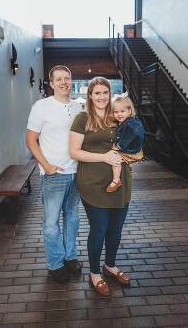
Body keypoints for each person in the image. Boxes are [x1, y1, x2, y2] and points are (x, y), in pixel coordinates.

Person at [69, 77, 131, 296]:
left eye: (105, 92)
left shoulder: (118, 117)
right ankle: (95, 273)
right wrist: (104, 157)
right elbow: (74, 152)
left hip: (120, 183)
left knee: (115, 231)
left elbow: (131, 143)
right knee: (99, 230)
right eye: (97, 93)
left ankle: (110, 266)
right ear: (90, 96)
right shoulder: (82, 118)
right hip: (93, 184)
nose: (102, 97)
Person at [25, 65, 84, 284]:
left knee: (73, 219)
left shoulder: (78, 108)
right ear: (51, 83)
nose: (63, 82)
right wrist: (46, 166)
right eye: (58, 79)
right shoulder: (41, 106)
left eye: (66, 78)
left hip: (76, 172)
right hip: (54, 174)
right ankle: (55, 263)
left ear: (71, 80)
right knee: (51, 223)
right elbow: (31, 140)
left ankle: (70, 256)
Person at [106, 94, 144, 193]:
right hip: (130, 148)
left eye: (122, 111)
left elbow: (130, 135)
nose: (119, 114)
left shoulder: (131, 123)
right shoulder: (124, 122)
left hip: (131, 149)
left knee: (116, 159)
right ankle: (126, 168)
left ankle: (116, 180)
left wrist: (119, 146)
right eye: (116, 112)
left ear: (130, 111)